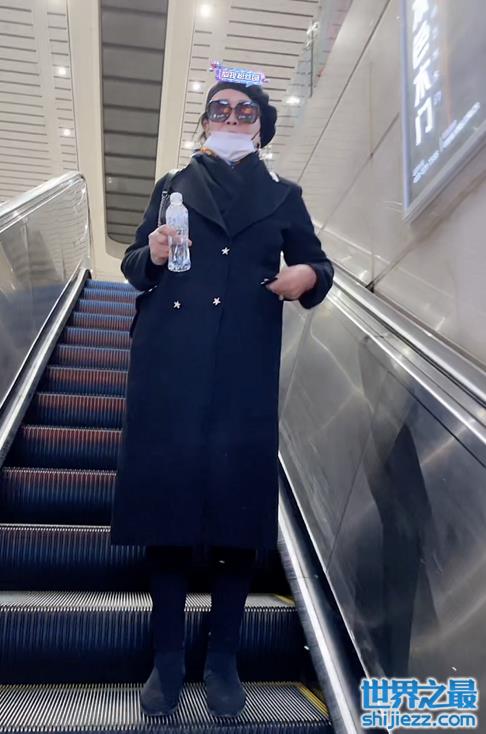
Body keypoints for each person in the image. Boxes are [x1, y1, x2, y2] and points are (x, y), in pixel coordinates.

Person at [110, 78, 334, 718]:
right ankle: (168, 659)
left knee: (238, 515)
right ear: (207, 121)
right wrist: (151, 252)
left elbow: (319, 265)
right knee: (169, 514)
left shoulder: (284, 195)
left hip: (243, 364)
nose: (231, 118)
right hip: (170, 364)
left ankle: (224, 658)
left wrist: (307, 275)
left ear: (261, 126)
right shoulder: (171, 186)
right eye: (220, 110)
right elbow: (132, 266)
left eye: (244, 111)